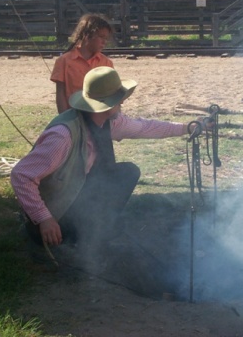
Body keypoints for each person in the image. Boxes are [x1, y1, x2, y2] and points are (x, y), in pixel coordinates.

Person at [11, 66, 199, 264]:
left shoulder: (110, 122)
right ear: (105, 105)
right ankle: (70, 239)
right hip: (54, 214)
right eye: (118, 98)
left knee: (127, 172)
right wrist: (44, 219)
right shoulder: (63, 136)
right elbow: (21, 175)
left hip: (77, 196)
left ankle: (95, 231)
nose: (123, 101)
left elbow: (145, 127)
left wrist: (187, 128)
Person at [50, 13, 114, 114]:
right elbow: (60, 93)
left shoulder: (106, 63)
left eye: (106, 38)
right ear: (87, 35)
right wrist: (64, 118)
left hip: (98, 117)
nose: (104, 42)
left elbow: (111, 94)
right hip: (73, 115)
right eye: (101, 37)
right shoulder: (63, 61)